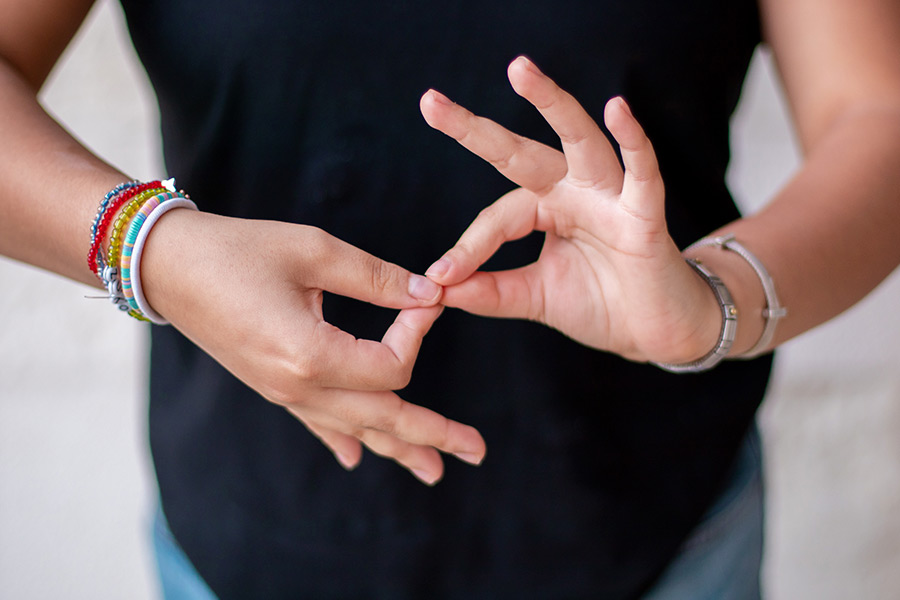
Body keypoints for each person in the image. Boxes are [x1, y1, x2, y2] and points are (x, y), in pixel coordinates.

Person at [1, 0, 899, 598]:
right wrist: (149, 246)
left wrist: (714, 298)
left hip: (656, 542)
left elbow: (876, 113)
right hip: (247, 542)